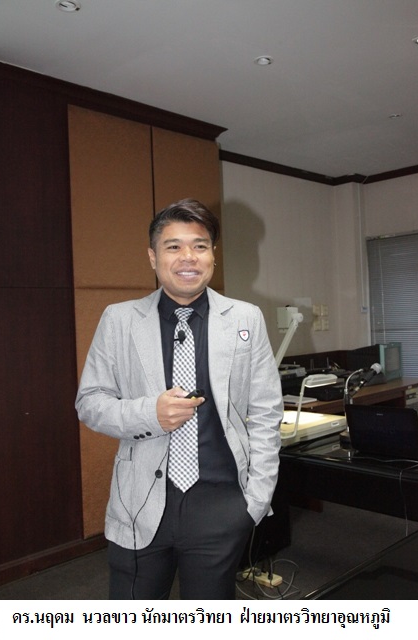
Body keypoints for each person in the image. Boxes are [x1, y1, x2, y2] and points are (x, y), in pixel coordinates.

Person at [76, 198, 283, 600]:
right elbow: (90, 402)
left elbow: (265, 412)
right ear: (153, 257)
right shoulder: (119, 319)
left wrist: (255, 501)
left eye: (199, 246)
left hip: (222, 505)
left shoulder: (246, 318)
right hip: (139, 503)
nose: (188, 256)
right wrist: (149, 413)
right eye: (173, 246)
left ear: (213, 255)